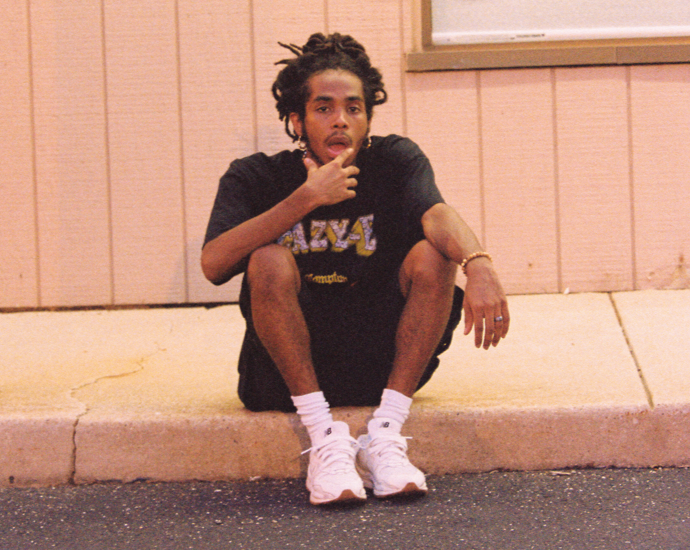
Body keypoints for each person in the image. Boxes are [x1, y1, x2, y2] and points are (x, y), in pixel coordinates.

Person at [202, 32, 509, 506]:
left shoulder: (394, 160)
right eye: (323, 108)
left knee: (433, 253)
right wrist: (305, 199)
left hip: (380, 363)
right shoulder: (256, 175)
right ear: (297, 120)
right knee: (267, 259)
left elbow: (436, 215)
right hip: (286, 373)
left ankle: (385, 433)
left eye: (354, 108)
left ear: (368, 120)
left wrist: (480, 265)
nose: (341, 120)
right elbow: (214, 264)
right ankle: (325, 440)